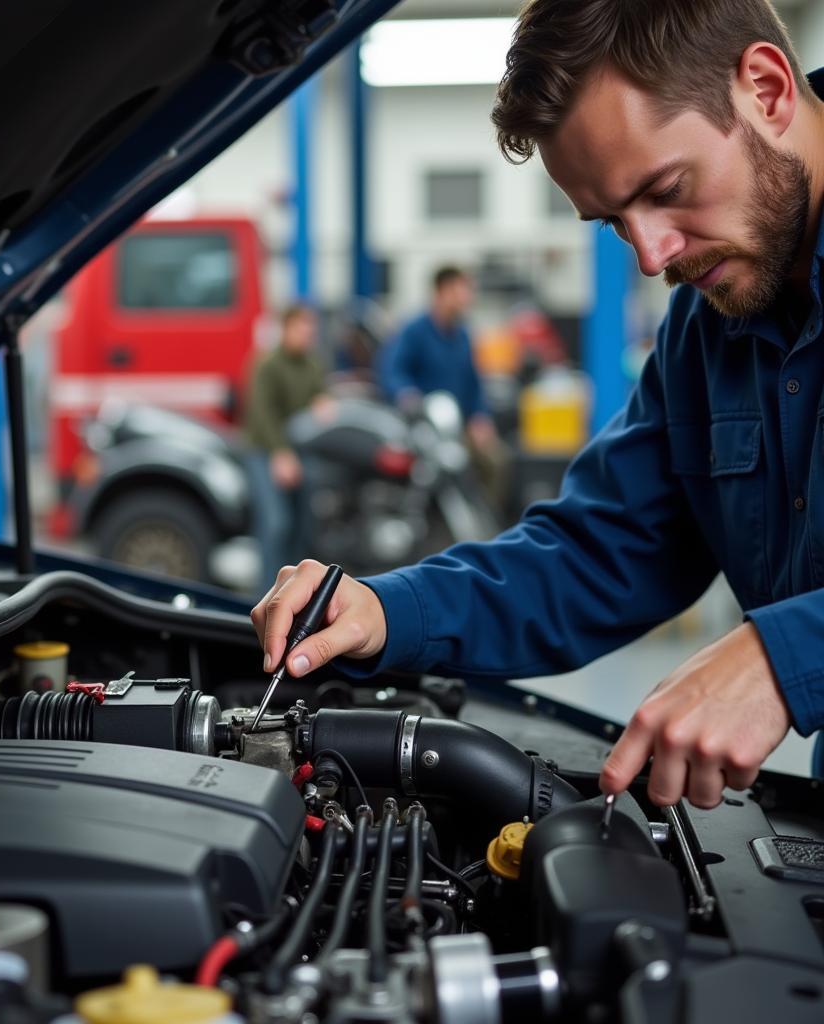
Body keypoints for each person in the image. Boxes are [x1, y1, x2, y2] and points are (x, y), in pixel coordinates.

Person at [252, 0, 824, 811]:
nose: (654, 254)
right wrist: (386, 609)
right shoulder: (709, 327)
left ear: (765, 90)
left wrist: (784, 656)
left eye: (666, 189)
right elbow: (602, 551)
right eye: (616, 223)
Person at [378, 266, 509, 512]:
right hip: (423, 429)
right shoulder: (413, 331)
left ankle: (483, 521)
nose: (467, 297)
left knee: (494, 460)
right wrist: (407, 396)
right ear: (442, 291)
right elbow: (392, 371)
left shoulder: (463, 335)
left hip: (457, 427)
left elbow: (473, 383)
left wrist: (480, 417)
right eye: (461, 290)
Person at [244, 303, 330, 594]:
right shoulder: (267, 364)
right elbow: (261, 413)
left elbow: (319, 398)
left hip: (300, 452)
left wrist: (324, 403)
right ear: (286, 329)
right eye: (301, 328)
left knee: (307, 523)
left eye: (311, 329)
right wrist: (280, 453)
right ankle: (265, 595)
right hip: (264, 450)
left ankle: (297, 592)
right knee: (277, 522)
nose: (307, 335)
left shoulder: (313, 364)